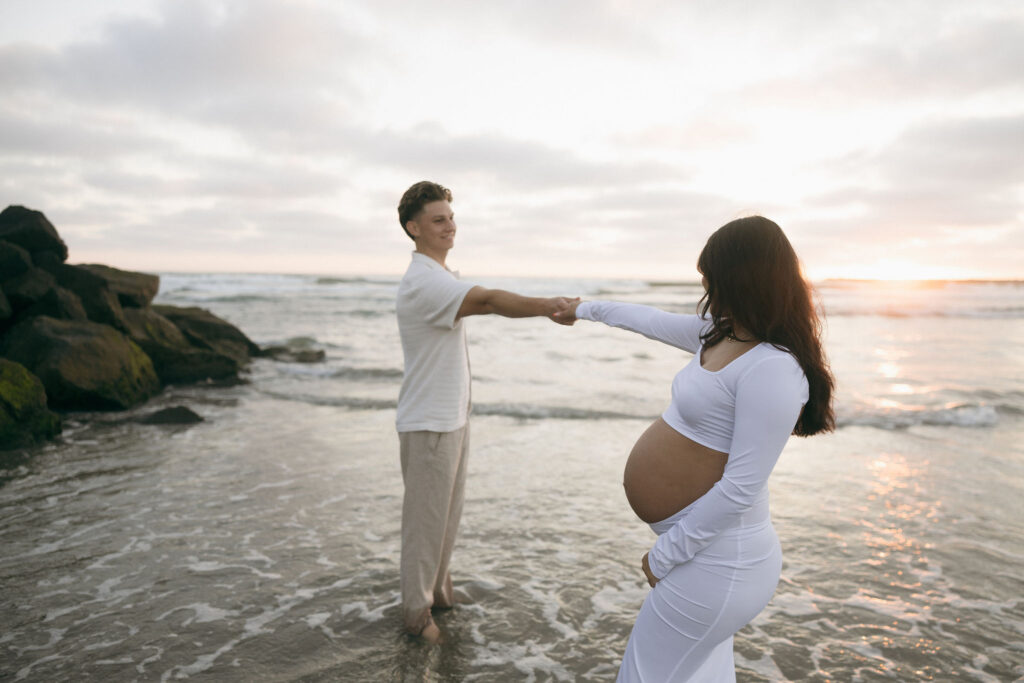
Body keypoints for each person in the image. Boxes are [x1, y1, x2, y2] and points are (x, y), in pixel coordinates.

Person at [554, 216, 835, 681]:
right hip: (706, 554)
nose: (705, 286)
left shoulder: (773, 369)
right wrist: (584, 309)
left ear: (741, 278)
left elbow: (742, 487)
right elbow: (650, 321)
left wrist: (666, 556)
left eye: (711, 278)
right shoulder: (723, 333)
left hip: (723, 563)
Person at [394, 180, 575, 643]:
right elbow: (491, 301)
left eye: (451, 218)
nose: (449, 226)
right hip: (431, 423)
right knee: (425, 523)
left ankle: (438, 593)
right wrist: (548, 306)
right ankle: (417, 616)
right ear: (414, 228)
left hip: (450, 417)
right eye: (438, 220)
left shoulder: (440, 277)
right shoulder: (425, 282)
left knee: (446, 519)